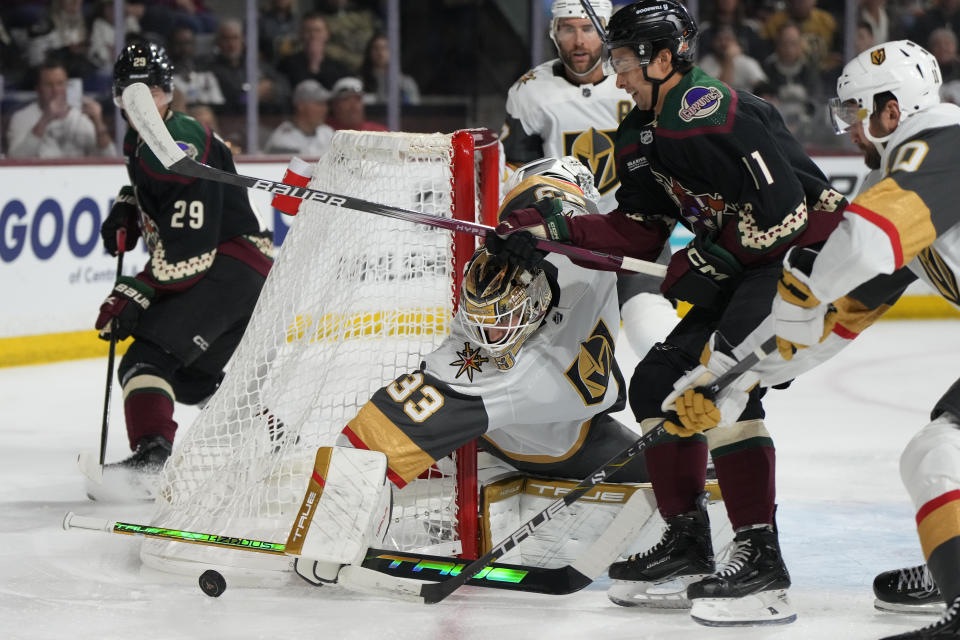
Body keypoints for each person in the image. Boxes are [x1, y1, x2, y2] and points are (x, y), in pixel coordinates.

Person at [491, 0, 849, 626]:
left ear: (663, 59)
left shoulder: (716, 111)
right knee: (659, 383)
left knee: (724, 388)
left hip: (800, 265)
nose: (617, 73)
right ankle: (687, 544)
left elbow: (788, 213)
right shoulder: (642, 132)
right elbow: (637, 230)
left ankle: (763, 560)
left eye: (626, 60)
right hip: (746, 268)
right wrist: (546, 225)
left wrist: (709, 261)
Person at [283, 157, 658, 585]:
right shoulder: (485, 317)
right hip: (536, 434)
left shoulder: (582, 254)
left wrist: (533, 224)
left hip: (569, 431)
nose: (492, 327)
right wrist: (332, 529)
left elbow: (554, 201)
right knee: (380, 437)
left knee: (682, 476)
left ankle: (478, 471)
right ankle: (476, 473)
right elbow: (364, 440)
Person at [771, 39, 960, 639]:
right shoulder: (918, 171)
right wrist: (752, 375)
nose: (850, 128)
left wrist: (809, 285)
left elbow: (867, 241)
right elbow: (855, 305)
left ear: (893, 109)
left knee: (938, 452)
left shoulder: (943, 143)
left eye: (856, 112)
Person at [90, 40, 273, 497]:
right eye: (131, 91)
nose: (140, 101)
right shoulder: (143, 138)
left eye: (149, 90)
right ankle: (272, 441)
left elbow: (191, 250)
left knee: (146, 358)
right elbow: (159, 195)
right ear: (117, 96)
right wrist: (129, 206)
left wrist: (135, 292)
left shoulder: (181, 141)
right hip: (242, 273)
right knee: (191, 380)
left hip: (224, 269)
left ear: (166, 93)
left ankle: (152, 463)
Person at [500, 0, 678, 363]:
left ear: (607, 33)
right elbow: (518, 178)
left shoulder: (636, 81)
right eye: (568, 29)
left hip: (634, 228)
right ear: (554, 33)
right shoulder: (530, 91)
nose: (579, 41)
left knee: (648, 316)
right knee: (558, 349)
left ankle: (682, 376)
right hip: (566, 235)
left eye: (588, 29)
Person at [6, 58, 115, 158]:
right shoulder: (21, 118)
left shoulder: (83, 117)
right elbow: (15, 159)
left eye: (60, 83)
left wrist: (98, 122)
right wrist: (45, 120)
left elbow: (109, 157)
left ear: (67, 85)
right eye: (49, 85)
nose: (56, 90)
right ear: (38, 89)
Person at [275, 13, 351, 92]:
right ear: (300, 34)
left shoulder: (339, 68)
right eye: (308, 30)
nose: (313, 35)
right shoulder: (286, 65)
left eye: (317, 30)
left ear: (327, 34)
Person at [263, 79, 334, 156]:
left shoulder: (327, 132)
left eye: (325, 104)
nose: (325, 109)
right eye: (319, 103)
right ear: (301, 106)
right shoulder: (283, 139)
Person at [360, 31, 420, 105]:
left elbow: (414, 110)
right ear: (369, 52)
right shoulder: (360, 83)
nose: (380, 52)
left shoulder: (405, 83)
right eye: (376, 48)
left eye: (385, 48)